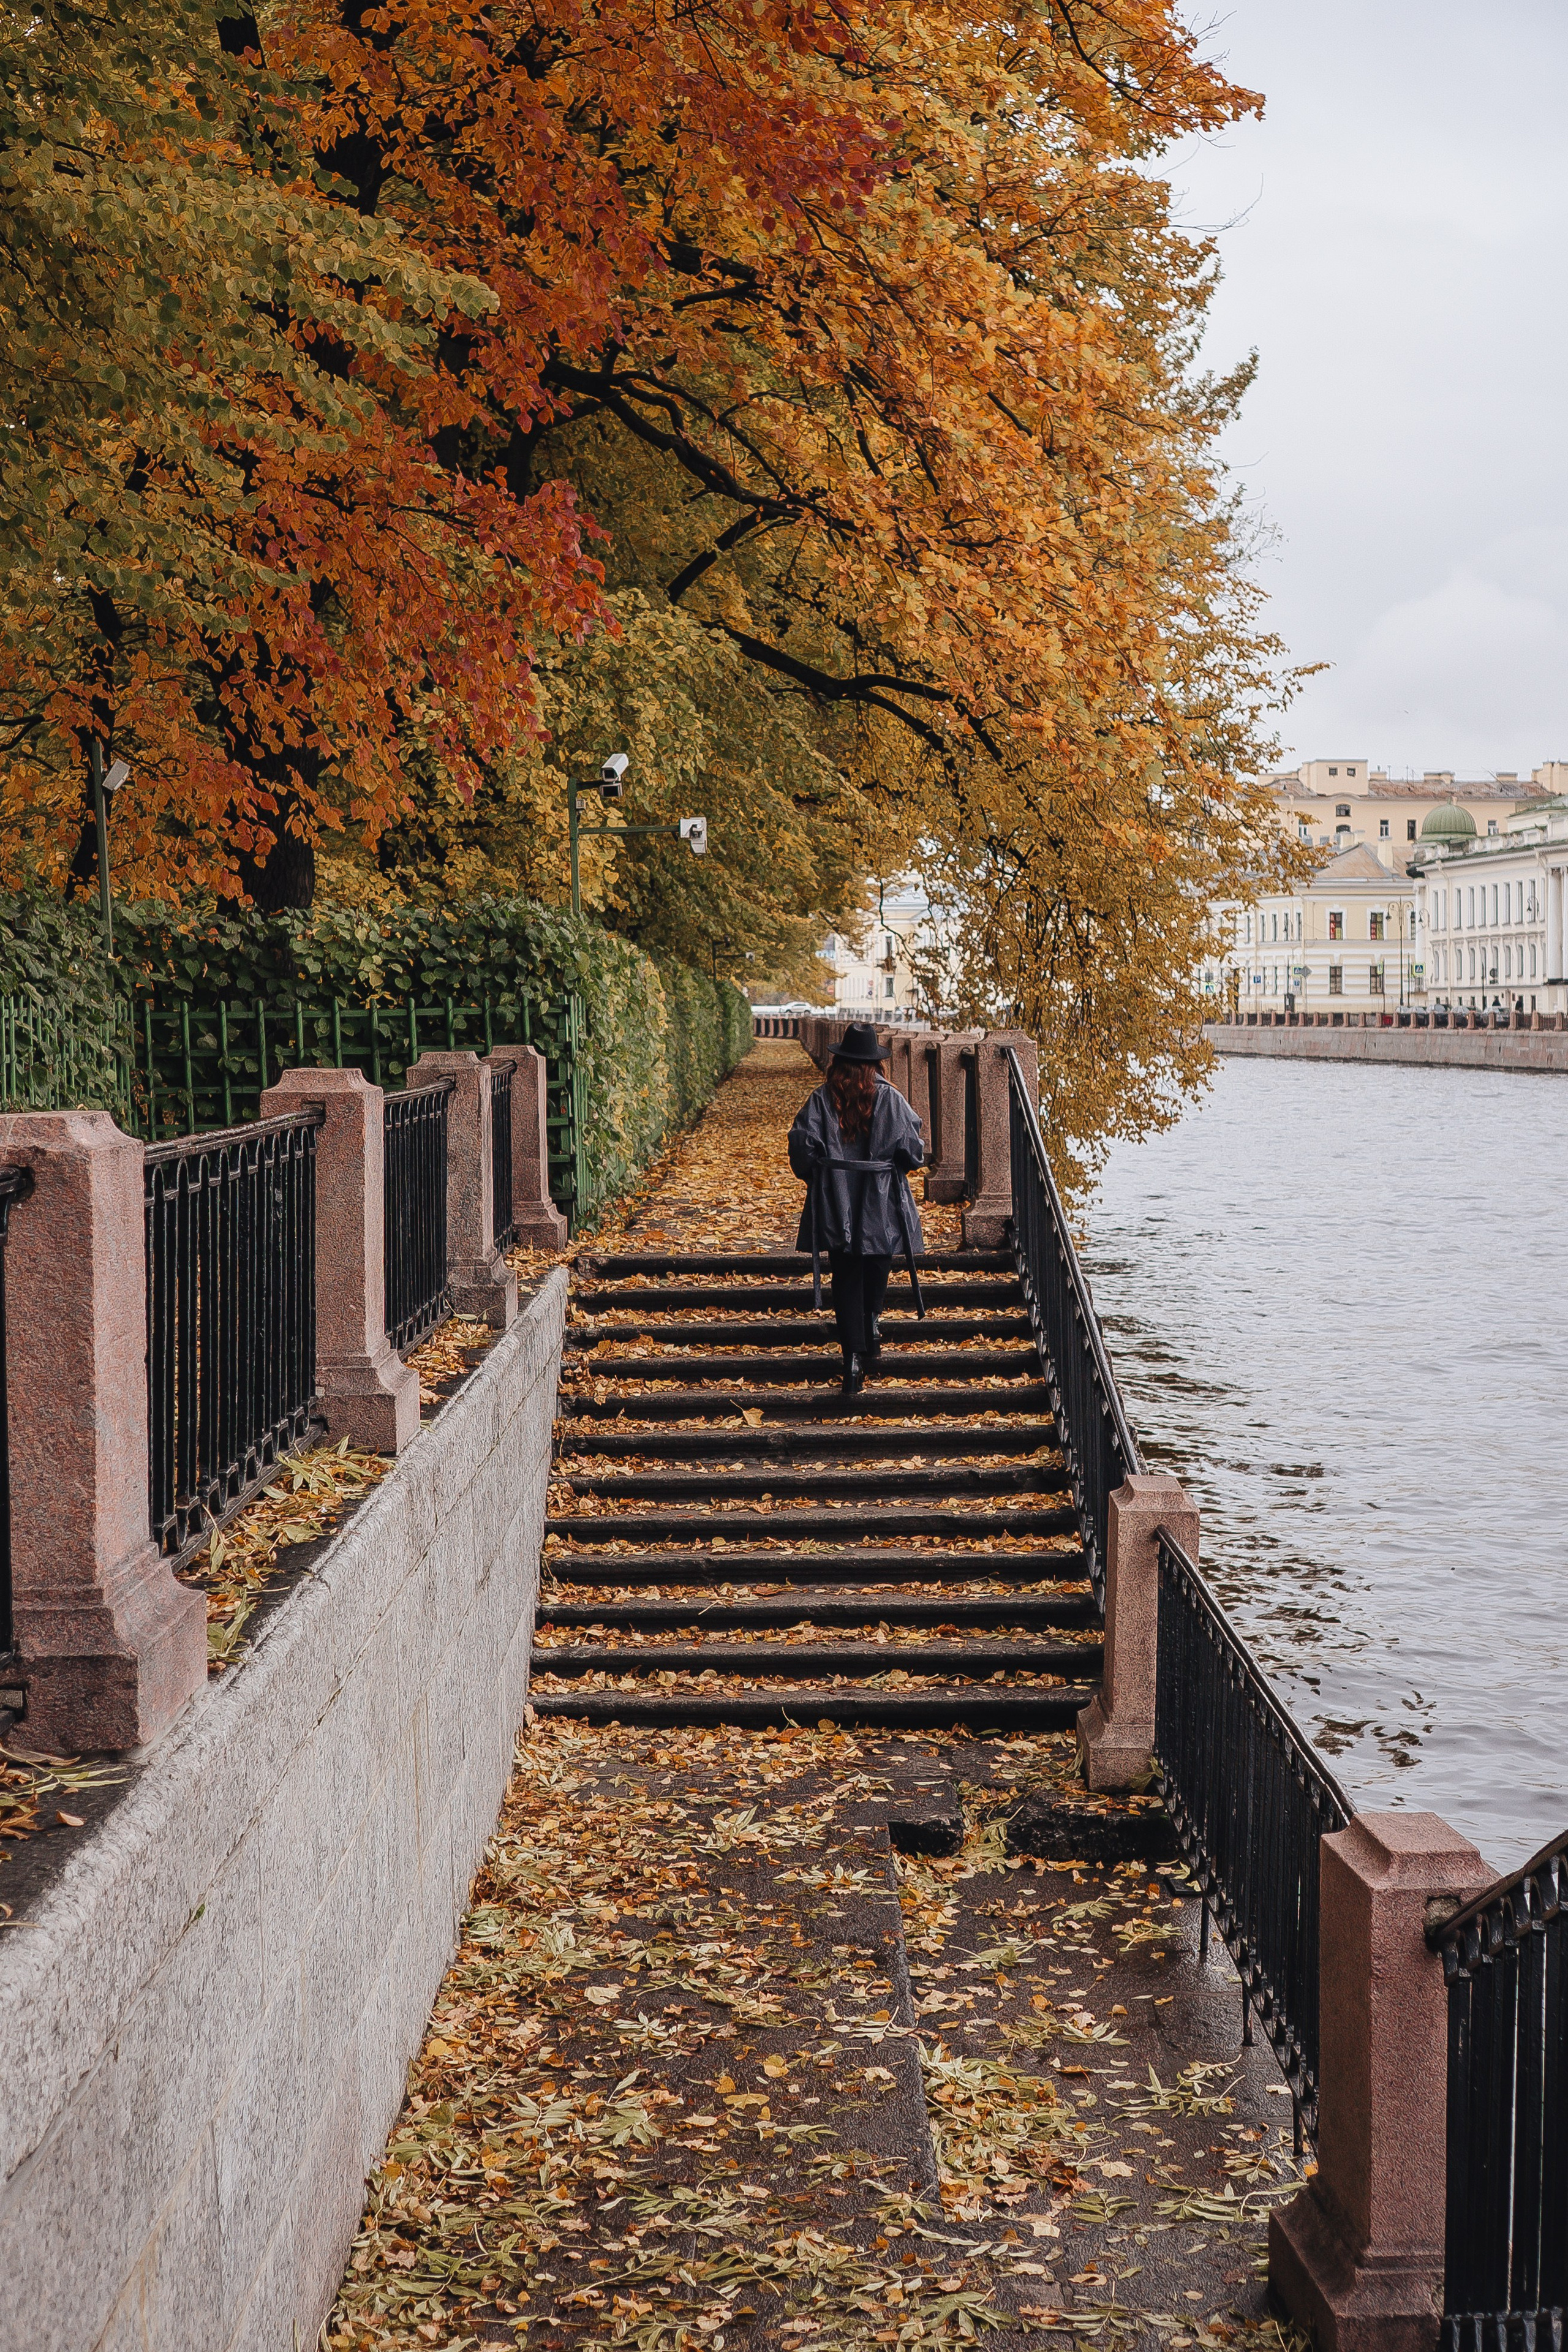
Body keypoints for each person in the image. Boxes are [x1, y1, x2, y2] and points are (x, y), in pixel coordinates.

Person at [787, 1022, 925, 1395]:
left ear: (840, 1063)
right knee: (878, 1262)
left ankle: (852, 1361)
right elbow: (914, 1153)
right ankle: (873, 1322)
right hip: (880, 1201)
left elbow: (801, 1150)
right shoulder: (891, 1099)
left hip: (836, 1200)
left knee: (846, 1276)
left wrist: (821, 1170)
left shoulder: (821, 1099)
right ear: (874, 1065)